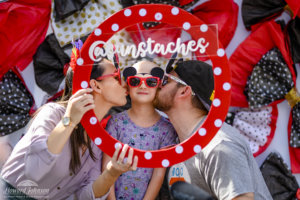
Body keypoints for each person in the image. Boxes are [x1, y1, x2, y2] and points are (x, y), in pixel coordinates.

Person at [0, 57, 138, 200]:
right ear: (96, 86)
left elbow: (84, 196)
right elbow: (34, 171)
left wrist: (112, 172)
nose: (125, 83)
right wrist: (70, 121)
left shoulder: (97, 138)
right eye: (116, 77)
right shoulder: (53, 113)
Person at [153, 59, 272, 200]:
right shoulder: (183, 141)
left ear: (184, 91)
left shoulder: (218, 145)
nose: (158, 83)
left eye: (166, 80)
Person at [102, 60, 177, 200]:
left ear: (159, 86)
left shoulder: (167, 129)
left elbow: (158, 175)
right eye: (135, 81)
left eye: (151, 82)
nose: (143, 85)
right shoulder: (115, 123)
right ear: (127, 86)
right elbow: (106, 167)